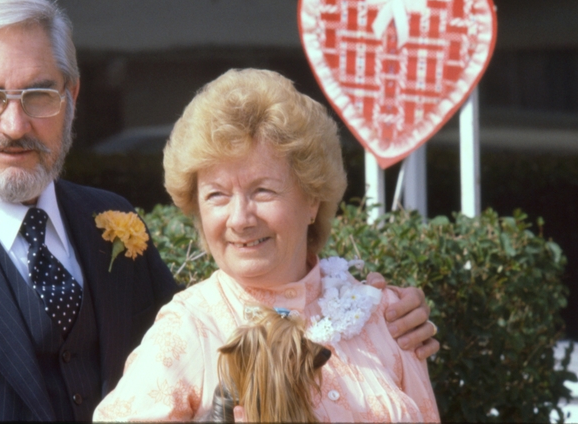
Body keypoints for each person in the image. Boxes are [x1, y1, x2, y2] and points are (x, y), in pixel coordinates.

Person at [0, 0, 434, 422]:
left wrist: (374, 305)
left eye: (39, 93)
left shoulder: (111, 222)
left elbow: (230, 309)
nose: (14, 124)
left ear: (71, 96)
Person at [93, 69, 440, 422]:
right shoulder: (188, 328)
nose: (240, 218)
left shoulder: (386, 316)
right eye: (217, 195)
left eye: (263, 191)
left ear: (312, 201)